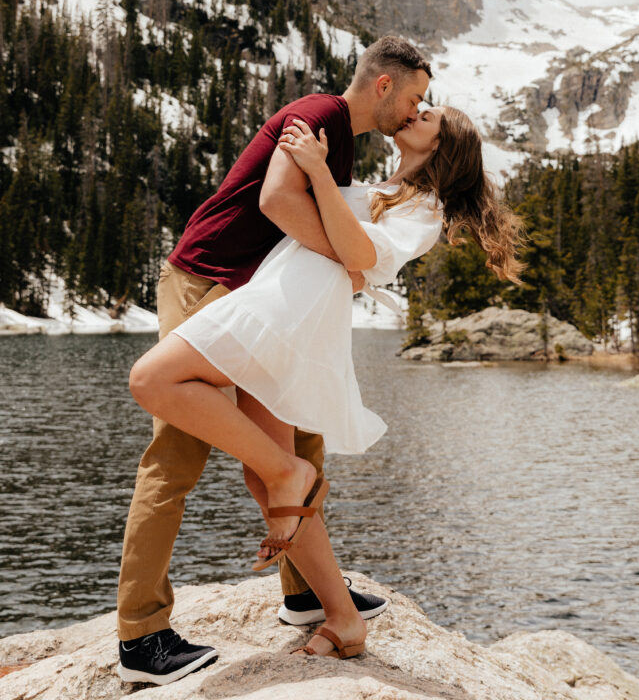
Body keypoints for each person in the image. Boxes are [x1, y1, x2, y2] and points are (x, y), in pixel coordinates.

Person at [126, 103, 524, 666]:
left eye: (429, 113)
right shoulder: (384, 189)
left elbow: (359, 254)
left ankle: (294, 478)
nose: (417, 111)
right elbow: (345, 252)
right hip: (280, 302)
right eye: (418, 103)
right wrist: (341, 231)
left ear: (445, 144)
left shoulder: (426, 210)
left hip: (287, 313)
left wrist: (316, 172)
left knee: (153, 379)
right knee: (264, 477)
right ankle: (341, 617)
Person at [116, 35, 432, 686]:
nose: (417, 109)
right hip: (206, 279)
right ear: (385, 85)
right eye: (417, 97)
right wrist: (352, 264)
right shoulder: (318, 115)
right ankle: (141, 635)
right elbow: (277, 203)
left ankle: (305, 594)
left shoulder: (339, 141)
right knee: (177, 451)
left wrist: (352, 264)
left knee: (301, 433)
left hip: (250, 294)